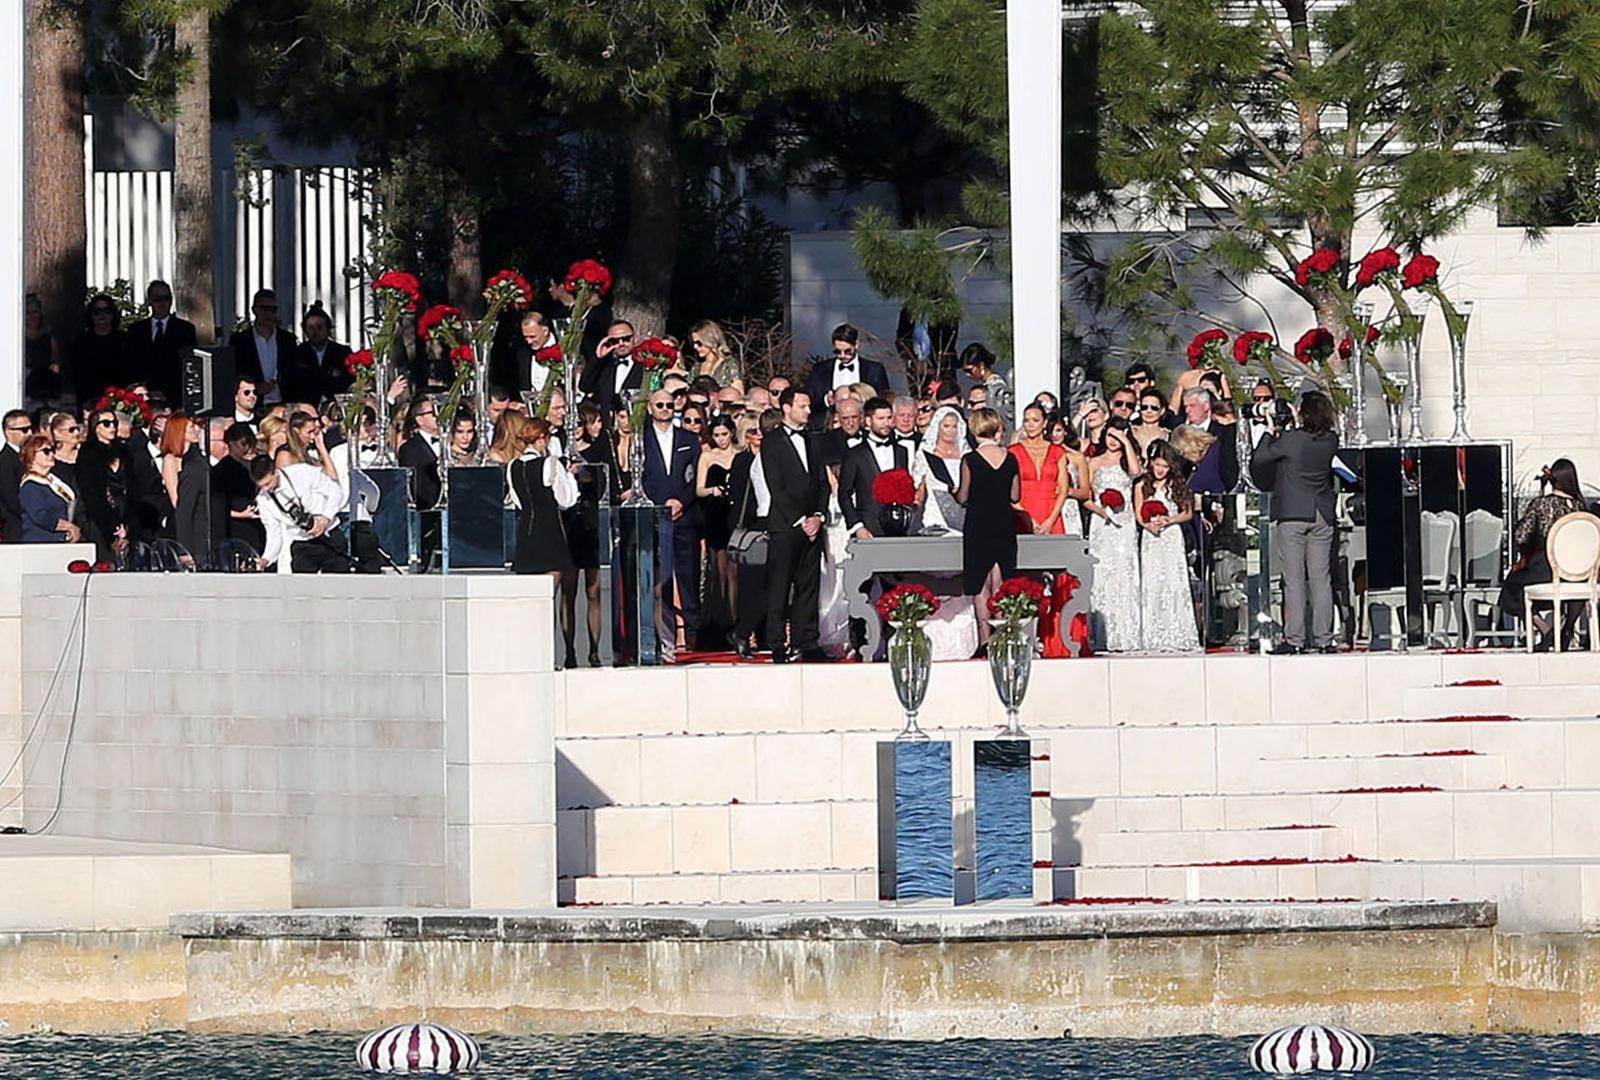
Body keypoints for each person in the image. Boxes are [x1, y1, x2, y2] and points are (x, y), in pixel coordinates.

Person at [1250, 390, 1340, 654]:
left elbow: (1261, 458)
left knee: (1294, 579)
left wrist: (1270, 429)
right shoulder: (1331, 440)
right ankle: (1324, 639)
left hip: (1292, 513)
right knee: (1321, 578)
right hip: (1322, 513)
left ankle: (1295, 639)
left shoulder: (1290, 440)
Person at [761, 388, 829, 662]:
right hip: (786, 525)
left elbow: (822, 483)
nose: (809, 411)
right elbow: (775, 485)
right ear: (787, 408)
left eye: (809, 406)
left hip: (813, 524)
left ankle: (807, 641)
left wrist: (818, 516)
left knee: (809, 585)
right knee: (780, 586)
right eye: (803, 406)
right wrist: (801, 520)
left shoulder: (813, 440)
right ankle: (777, 642)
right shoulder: (772, 441)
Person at [1500, 458, 1590, 649]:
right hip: (1578, 573)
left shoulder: (1542, 505)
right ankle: (1567, 628)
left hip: (1547, 569)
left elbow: (1521, 537)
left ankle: (1545, 628)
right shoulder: (1581, 507)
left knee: (1511, 587)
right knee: (1577, 586)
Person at [641, 387, 702, 655]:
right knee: (660, 577)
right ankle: (663, 634)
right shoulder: (640, 440)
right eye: (660, 405)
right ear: (650, 409)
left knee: (688, 574)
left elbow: (696, 477)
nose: (666, 409)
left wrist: (681, 501)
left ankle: (691, 631)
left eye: (669, 405)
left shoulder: (689, 438)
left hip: (684, 515)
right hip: (654, 516)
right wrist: (659, 504)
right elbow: (640, 476)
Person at [955, 407, 1020, 654]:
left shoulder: (970, 460)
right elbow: (1015, 495)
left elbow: (963, 496)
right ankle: (1003, 636)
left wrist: (955, 492)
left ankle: (984, 641)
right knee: (1000, 581)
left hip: (978, 524)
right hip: (1003, 522)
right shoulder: (1011, 458)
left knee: (980, 585)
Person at [1135, 442, 1199, 652]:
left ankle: (1177, 631)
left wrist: (1169, 520)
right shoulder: (1141, 485)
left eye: (1165, 465)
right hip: (1151, 537)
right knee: (1152, 581)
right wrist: (1148, 524)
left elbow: (1187, 513)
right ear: (1151, 463)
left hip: (1171, 536)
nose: (1161, 469)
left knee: (1173, 580)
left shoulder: (1177, 485)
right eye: (1158, 464)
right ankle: (1153, 633)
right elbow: (1138, 513)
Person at [563, 403, 613, 666]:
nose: (577, 430)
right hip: (568, 523)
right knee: (568, 592)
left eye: (580, 424)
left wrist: (581, 471)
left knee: (593, 590)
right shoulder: (557, 453)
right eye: (572, 425)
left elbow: (600, 482)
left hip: (591, 522)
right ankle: (569, 650)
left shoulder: (597, 450)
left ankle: (594, 649)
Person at [1086, 421, 1143, 652]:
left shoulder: (1127, 461)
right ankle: (1101, 634)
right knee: (1102, 574)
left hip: (1124, 523)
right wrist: (1101, 510)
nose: (1112, 440)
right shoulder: (1094, 462)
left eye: (1117, 436)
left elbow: (1136, 472)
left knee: (1124, 574)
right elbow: (1086, 495)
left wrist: (1127, 441)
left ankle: (1126, 634)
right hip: (1101, 524)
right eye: (1109, 435)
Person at [251, 454, 352, 573]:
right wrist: (266, 559)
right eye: (261, 486)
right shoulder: (263, 500)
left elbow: (336, 492)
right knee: (303, 589)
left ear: (276, 472)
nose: (266, 489)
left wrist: (325, 519)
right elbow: (273, 533)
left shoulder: (302, 472)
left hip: (330, 536)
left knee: (338, 586)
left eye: (268, 483)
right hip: (302, 544)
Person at [727, 411, 773, 659]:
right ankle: (743, 632)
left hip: (773, 524)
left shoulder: (772, 456)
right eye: (752, 432)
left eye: (760, 431)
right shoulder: (745, 461)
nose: (758, 436)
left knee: (771, 584)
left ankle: (763, 634)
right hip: (754, 527)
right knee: (754, 585)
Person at [507, 416, 577, 578]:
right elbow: (566, 500)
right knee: (550, 586)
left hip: (526, 530)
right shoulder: (550, 463)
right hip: (549, 530)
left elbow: (517, 501)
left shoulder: (513, 466)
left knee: (528, 589)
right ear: (541, 438)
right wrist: (570, 476)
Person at [838, 397, 912, 540]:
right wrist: (858, 526)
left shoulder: (901, 451)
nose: (886, 423)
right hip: (868, 528)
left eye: (889, 418)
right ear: (868, 421)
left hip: (899, 528)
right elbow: (844, 494)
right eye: (881, 418)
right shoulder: (855, 454)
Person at [696, 414, 740, 645]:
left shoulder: (741, 455)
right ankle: (722, 625)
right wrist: (712, 490)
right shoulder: (707, 456)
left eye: (724, 434)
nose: (721, 439)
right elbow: (699, 489)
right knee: (720, 572)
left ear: (732, 432)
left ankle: (736, 624)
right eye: (716, 435)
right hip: (716, 516)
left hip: (736, 516)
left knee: (735, 573)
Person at [124, 280, 198, 405]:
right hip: (144, 396)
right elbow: (131, 365)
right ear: (150, 301)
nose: (163, 303)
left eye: (167, 299)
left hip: (175, 397)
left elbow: (188, 366)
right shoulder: (135, 330)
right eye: (158, 299)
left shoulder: (185, 329)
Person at [1010, 402, 1078, 535]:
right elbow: (1008, 492)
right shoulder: (1013, 451)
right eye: (1026, 420)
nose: (1030, 425)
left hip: (1051, 513)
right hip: (1023, 513)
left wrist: (1050, 521)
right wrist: (1029, 520)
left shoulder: (1057, 452)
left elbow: (1063, 489)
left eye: (1035, 420)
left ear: (1045, 422)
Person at [76, 408, 132, 561]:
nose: (112, 427)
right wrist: (112, 525)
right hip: (98, 516)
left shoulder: (124, 451)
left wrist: (126, 524)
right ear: (96, 427)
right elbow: (90, 492)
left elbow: (133, 484)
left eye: (114, 423)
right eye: (106, 423)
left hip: (124, 514)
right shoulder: (87, 453)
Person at [230, 289, 298, 405]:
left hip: (283, 402)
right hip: (253, 403)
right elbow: (234, 373)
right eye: (264, 309)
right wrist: (255, 387)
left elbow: (293, 372)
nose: (268, 314)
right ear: (254, 310)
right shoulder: (240, 340)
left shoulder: (287, 340)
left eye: (273, 310)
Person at [805, 323, 888, 417]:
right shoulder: (820, 370)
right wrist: (826, 400)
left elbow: (883, 402)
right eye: (837, 352)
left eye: (847, 351)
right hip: (830, 424)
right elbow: (810, 399)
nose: (843, 356)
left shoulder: (874, 370)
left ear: (856, 345)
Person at [160, 413, 208, 567]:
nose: (195, 430)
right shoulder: (170, 460)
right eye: (190, 427)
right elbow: (177, 501)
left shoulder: (196, 458)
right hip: (181, 522)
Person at [211, 421, 265, 558]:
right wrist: (240, 514)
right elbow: (216, 504)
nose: (247, 448)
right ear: (231, 443)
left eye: (250, 443)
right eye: (243, 444)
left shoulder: (253, 466)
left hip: (255, 524)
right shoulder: (222, 470)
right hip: (235, 526)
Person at [914, 404, 968, 535]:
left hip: (963, 512)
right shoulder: (925, 454)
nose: (951, 430)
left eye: (954, 426)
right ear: (938, 427)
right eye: (946, 426)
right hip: (935, 513)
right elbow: (918, 486)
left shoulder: (967, 453)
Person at [16, 436, 79, 543]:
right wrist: (69, 526)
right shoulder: (30, 486)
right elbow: (40, 517)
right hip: (40, 542)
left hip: (59, 540)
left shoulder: (53, 481)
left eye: (52, 450)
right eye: (46, 451)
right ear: (32, 456)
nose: (52, 455)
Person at [69, 293, 129, 405]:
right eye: (97, 312)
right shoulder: (81, 342)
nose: (102, 316)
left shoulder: (124, 340)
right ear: (91, 315)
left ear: (113, 314)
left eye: (106, 311)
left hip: (119, 399)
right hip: (88, 398)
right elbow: (74, 373)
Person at [579, 320, 643, 419]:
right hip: (607, 426)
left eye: (626, 339)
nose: (621, 343)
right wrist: (598, 357)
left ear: (634, 338)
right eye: (615, 341)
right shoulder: (605, 367)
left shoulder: (644, 367)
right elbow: (585, 386)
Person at [291, 305, 351, 402]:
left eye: (319, 327)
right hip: (306, 407)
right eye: (311, 328)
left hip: (335, 406)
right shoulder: (297, 353)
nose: (315, 332)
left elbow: (348, 381)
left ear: (327, 329)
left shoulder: (342, 352)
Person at [398, 397, 443, 510]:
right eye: (433, 412)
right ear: (419, 419)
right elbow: (414, 485)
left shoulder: (452, 442)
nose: (438, 415)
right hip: (427, 511)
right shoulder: (410, 448)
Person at [24, 294, 64, 407]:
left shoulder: (49, 334)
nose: (31, 316)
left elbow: (55, 362)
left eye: (35, 312)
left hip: (46, 386)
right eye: (28, 313)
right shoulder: (18, 336)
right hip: (26, 387)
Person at [961, 343, 1013, 428]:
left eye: (969, 370)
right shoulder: (991, 384)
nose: (967, 375)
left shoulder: (995, 387)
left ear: (981, 365)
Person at [0, 409, 30, 541]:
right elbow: (11, 498)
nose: (30, 433)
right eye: (24, 430)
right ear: (9, 432)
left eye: (30, 428)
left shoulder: (28, 456)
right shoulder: (5, 461)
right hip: (17, 528)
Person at [690, 319, 741, 388]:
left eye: (699, 343)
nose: (695, 347)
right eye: (694, 343)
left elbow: (738, 392)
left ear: (710, 340)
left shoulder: (729, 365)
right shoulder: (696, 367)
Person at [1130, 388, 1171, 456]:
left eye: (1154, 408)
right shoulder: (1130, 432)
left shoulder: (1169, 436)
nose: (1149, 411)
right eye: (1144, 407)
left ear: (1162, 410)